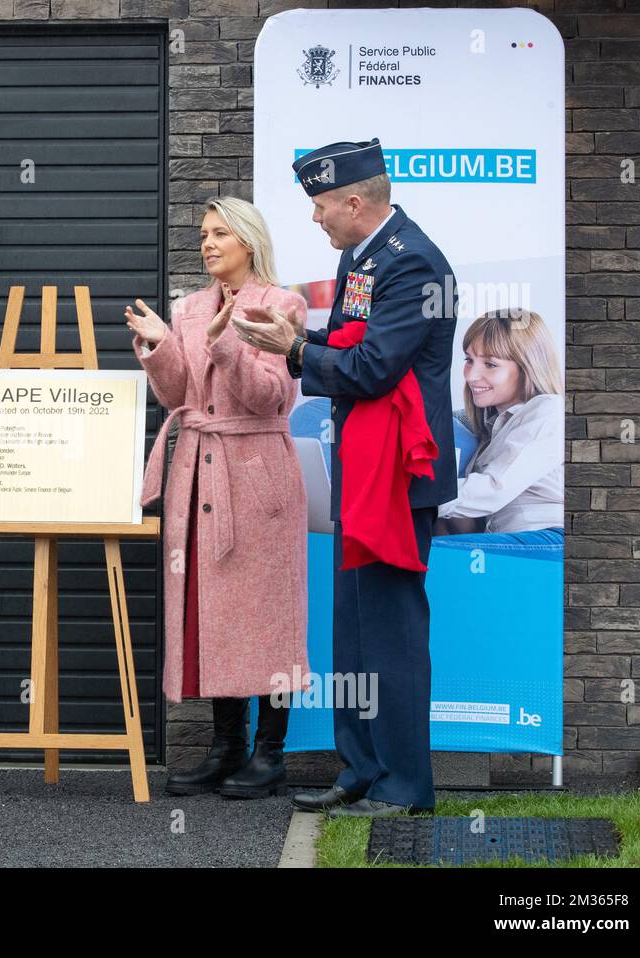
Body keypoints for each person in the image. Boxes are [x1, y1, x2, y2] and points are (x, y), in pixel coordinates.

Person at [236, 138, 457, 817]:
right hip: (363, 468)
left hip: (397, 473)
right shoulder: (361, 255)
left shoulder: (413, 262)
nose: (315, 218)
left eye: (321, 205)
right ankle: (360, 768)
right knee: (355, 630)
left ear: (355, 202)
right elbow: (349, 340)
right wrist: (299, 334)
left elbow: (374, 369)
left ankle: (404, 787)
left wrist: (296, 352)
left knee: (390, 633)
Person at [126, 197, 309, 800]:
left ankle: (271, 752)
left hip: (257, 478)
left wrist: (228, 344)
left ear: (248, 242)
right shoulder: (189, 307)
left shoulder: (281, 305)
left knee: (268, 615)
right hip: (200, 475)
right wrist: (160, 346)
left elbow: (268, 399)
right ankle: (226, 747)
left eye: (219, 234)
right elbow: (179, 394)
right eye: (203, 234)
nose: (206, 244)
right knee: (215, 611)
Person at [434, 308, 564, 541]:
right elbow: (469, 521)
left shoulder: (549, 410)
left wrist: (416, 498)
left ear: (527, 366)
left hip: (545, 540)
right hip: (504, 540)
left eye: (490, 364)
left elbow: (494, 488)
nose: (472, 376)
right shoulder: (489, 432)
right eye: (469, 360)